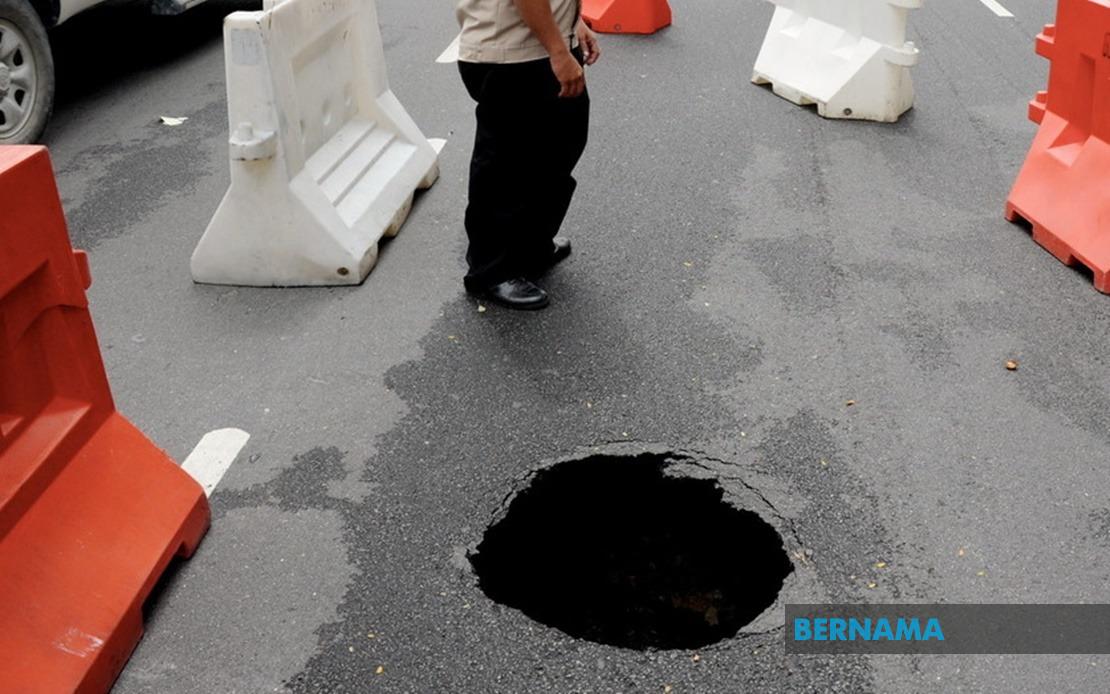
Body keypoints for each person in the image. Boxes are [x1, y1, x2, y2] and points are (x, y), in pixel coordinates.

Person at [455, 0, 601, 310]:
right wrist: (559, 51)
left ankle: (530, 248)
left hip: (542, 43)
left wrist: (573, 25)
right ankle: (491, 271)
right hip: (512, 54)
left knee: (560, 145)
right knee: (507, 166)